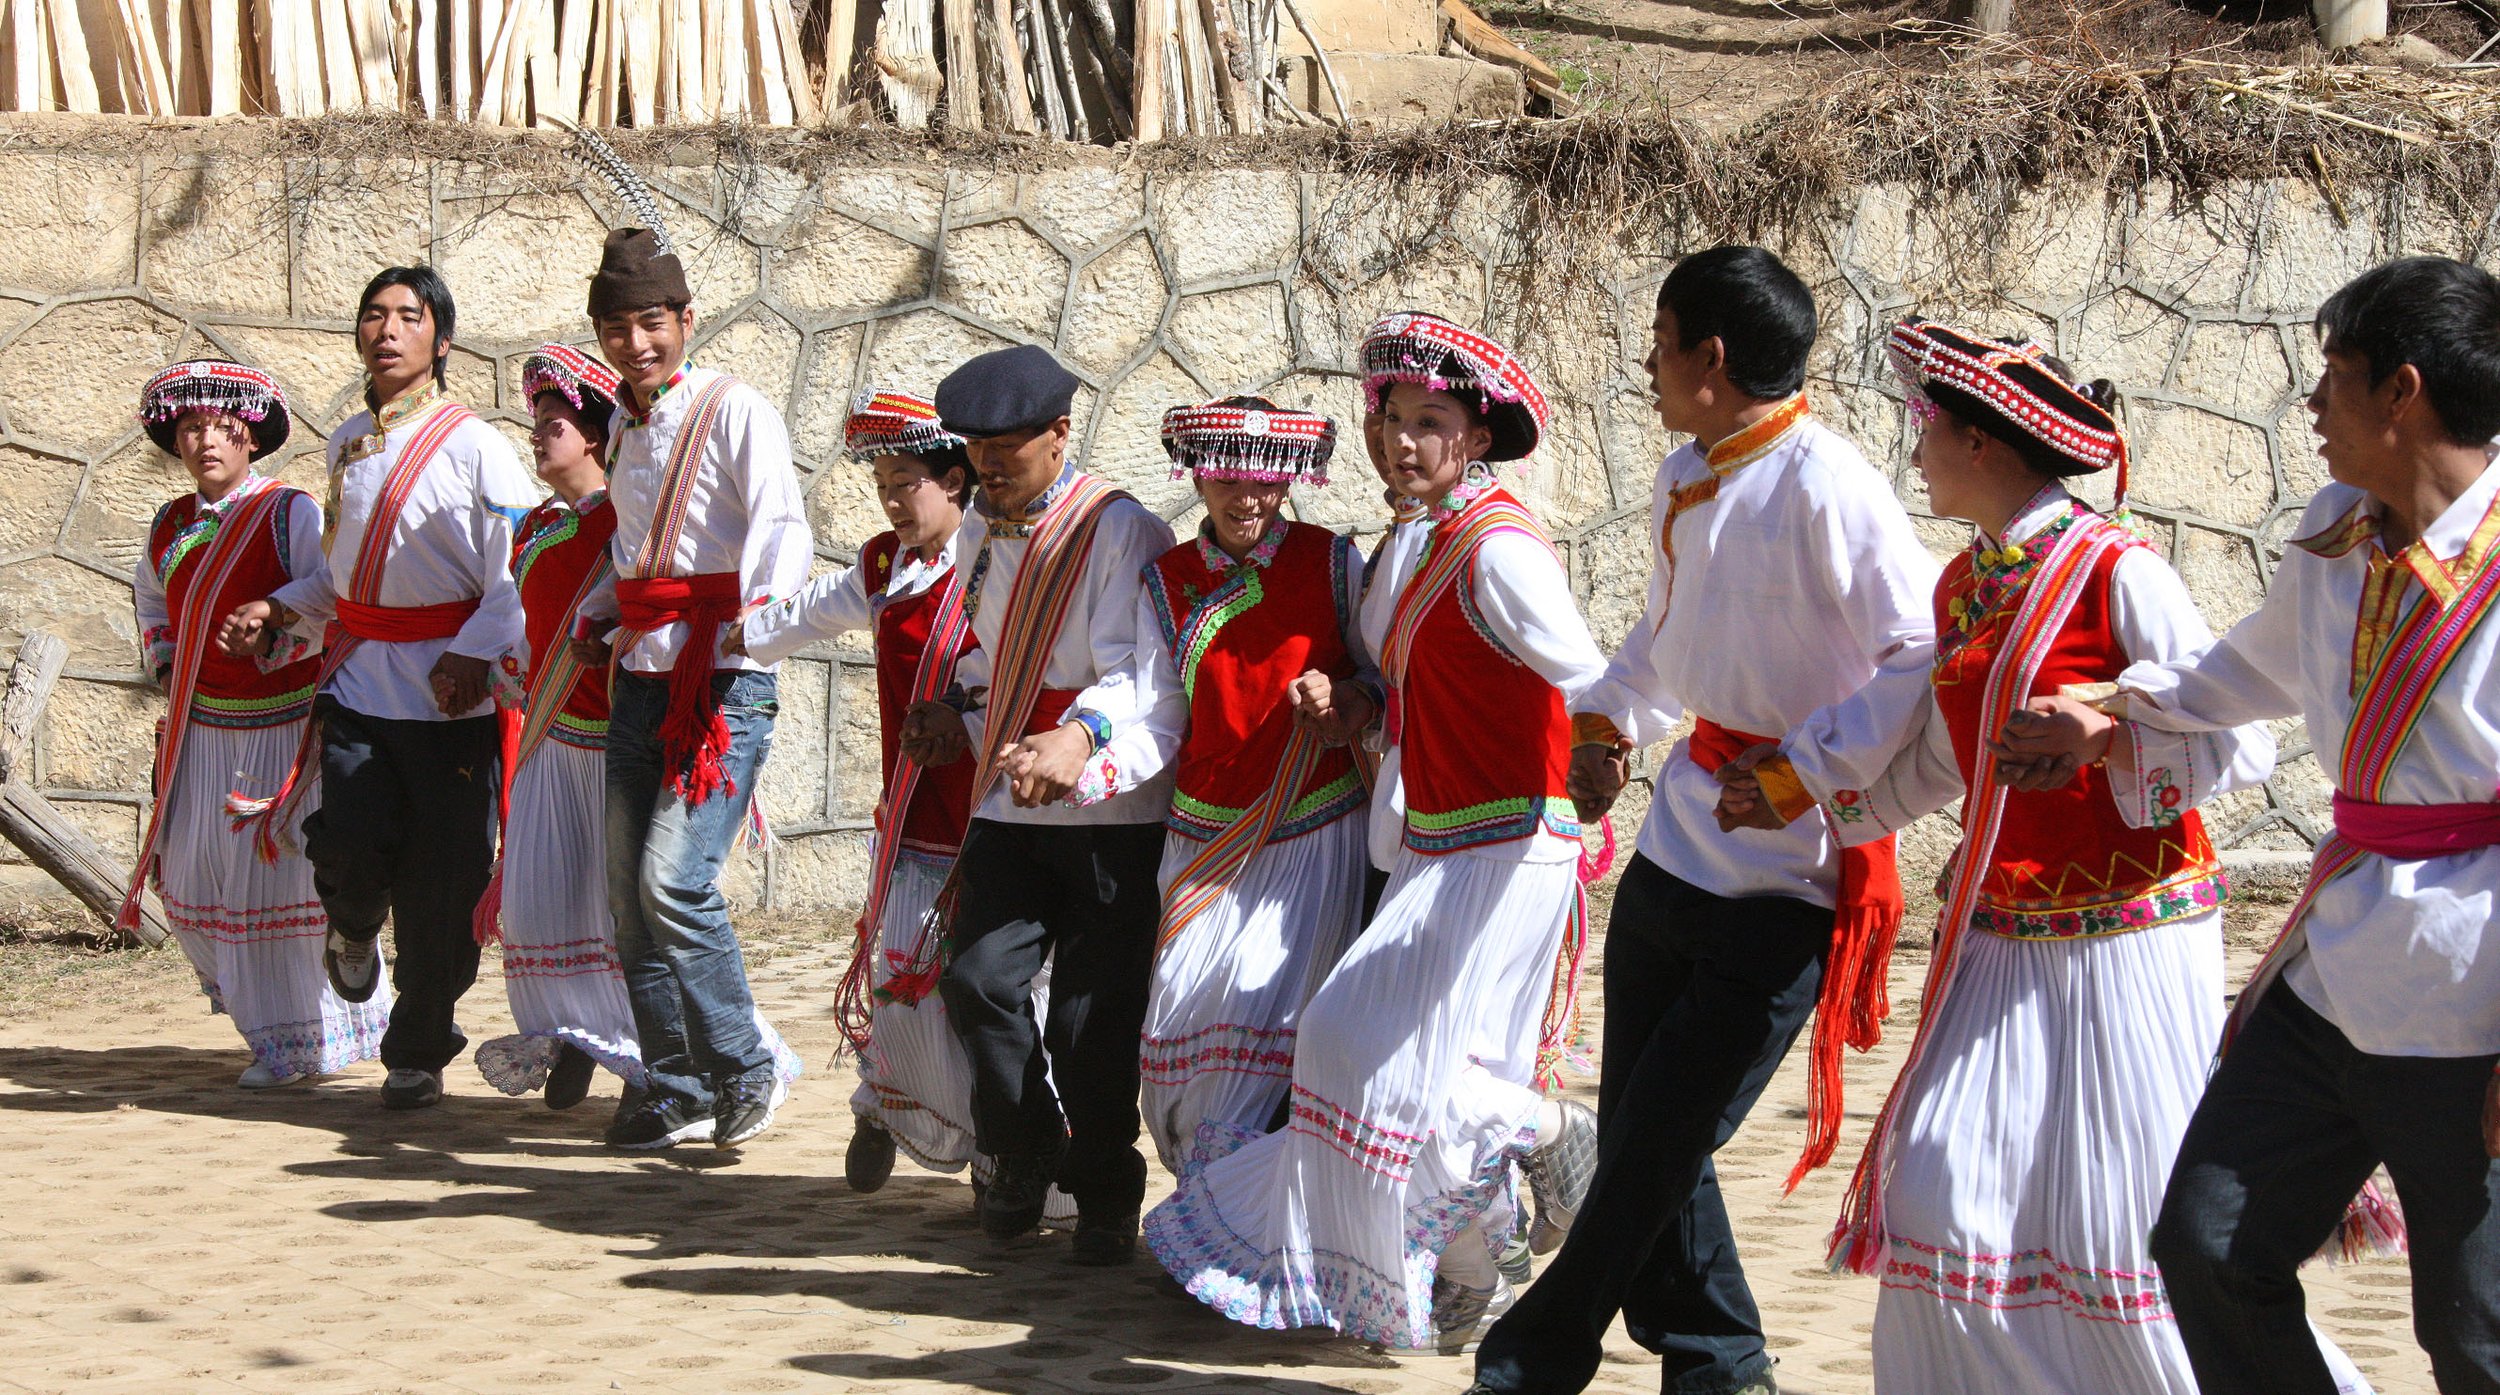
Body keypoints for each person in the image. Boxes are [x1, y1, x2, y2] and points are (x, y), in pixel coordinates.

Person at [1717, 319, 2356, 1393]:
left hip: (2130, 943)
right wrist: (1797, 792)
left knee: (2120, 1217)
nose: (1912, 448)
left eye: (1925, 427)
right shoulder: (1962, 586)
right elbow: (1942, 761)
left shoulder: (2116, 569)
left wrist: (2108, 735)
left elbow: (2239, 736)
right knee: (1938, 1190)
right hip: (2005, 934)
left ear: (1983, 446)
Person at [2000, 255, 2500, 1395]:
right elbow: (2247, 672)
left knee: (2477, 1335)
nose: (2311, 409)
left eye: (2332, 378)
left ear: (2401, 393)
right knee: (2211, 1244)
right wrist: (2113, 708)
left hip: (2469, 994)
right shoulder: (2338, 528)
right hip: (2332, 975)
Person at [1468, 247, 1940, 1395]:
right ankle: (1718, 1360)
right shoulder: (1691, 471)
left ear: (1710, 360)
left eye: (1661, 340)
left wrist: (1806, 770)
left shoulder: (1832, 486)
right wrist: (1608, 722)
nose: (1647, 364)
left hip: (1789, 873)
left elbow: (1921, 652)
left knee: (1659, 1140)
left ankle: (1540, 1351)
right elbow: (1662, 639)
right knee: (1648, 1130)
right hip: (1678, 850)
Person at [1145, 312, 1608, 1355]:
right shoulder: (1416, 540)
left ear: (1476, 438)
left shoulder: (1497, 547)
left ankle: (1550, 1136)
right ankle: (1472, 1263)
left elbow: (1590, 676)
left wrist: (1608, 745)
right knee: (1417, 1064)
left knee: (1349, 1045)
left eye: (1430, 422)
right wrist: (1361, 709)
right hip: (1440, 838)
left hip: (1508, 841)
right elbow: (1407, 687)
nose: (1402, 441)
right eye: (1392, 418)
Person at [737, 387, 1059, 1216]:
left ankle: (1005, 1150)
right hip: (914, 815)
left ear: (956, 481)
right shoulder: (885, 565)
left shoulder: (1001, 564)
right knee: (903, 979)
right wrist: (744, 632)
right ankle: (885, 1103)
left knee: (985, 995)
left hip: (989, 817)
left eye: (906, 479)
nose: (891, 498)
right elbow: (819, 608)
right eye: (881, 481)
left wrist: (970, 723)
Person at [217, 266, 533, 1112]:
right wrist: (276, 609)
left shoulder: (476, 446)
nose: (387, 329)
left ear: (442, 340)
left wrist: (473, 652)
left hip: (449, 703)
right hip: (358, 682)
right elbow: (337, 580)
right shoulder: (346, 442)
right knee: (349, 842)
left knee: (444, 883)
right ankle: (353, 926)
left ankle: (419, 1048)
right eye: (374, 315)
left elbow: (518, 575)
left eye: (408, 316)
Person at [894, 343, 1176, 1264]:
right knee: (977, 982)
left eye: (1007, 452)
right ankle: (1024, 1148)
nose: (988, 471)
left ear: (1061, 436)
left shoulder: (1119, 530)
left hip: (1106, 815)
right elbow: (985, 659)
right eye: (976, 454)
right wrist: (957, 713)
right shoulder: (981, 527)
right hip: (1011, 802)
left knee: (1090, 1024)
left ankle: (1102, 1192)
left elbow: (1142, 669)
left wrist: (1081, 736)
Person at [570, 227, 814, 1151]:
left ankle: (745, 1062)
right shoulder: (627, 422)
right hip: (641, 677)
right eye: (619, 329)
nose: (638, 345)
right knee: (628, 898)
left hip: (722, 680)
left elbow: (780, 527)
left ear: (686, 321)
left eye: (653, 324)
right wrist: (604, 612)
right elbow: (637, 555)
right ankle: (675, 1083)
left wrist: (756, 628)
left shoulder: (735, 407)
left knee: (674, 881)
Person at [124, 360, 389, 1089]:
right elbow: (153, 601)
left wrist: (272, 635)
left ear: (250, 439)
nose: (206, 440)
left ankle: (299, 1039)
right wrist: (165, 659)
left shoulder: (289, 513)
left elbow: (329, 596)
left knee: (272, 885)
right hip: (201, 728)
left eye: (221, 428)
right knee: (189, 879)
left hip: (278, 726)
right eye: (191, 427)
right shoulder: (172, 523)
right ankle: (267, 1018)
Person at [1129, 396, 1371, 1172]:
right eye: (1228, 479)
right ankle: (1214, 1192)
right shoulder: (1165, 582)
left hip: (1314, 827)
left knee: (1273, 1035)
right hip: (1204, 835)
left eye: (1267, 481)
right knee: (1181, 1020)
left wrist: (1348, 699)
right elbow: (1155, 709)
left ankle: (1231, 1213)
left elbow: (1381, 675)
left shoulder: (1334, 562)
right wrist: (1091, 758)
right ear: (1197, 478)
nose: (1248, 499)